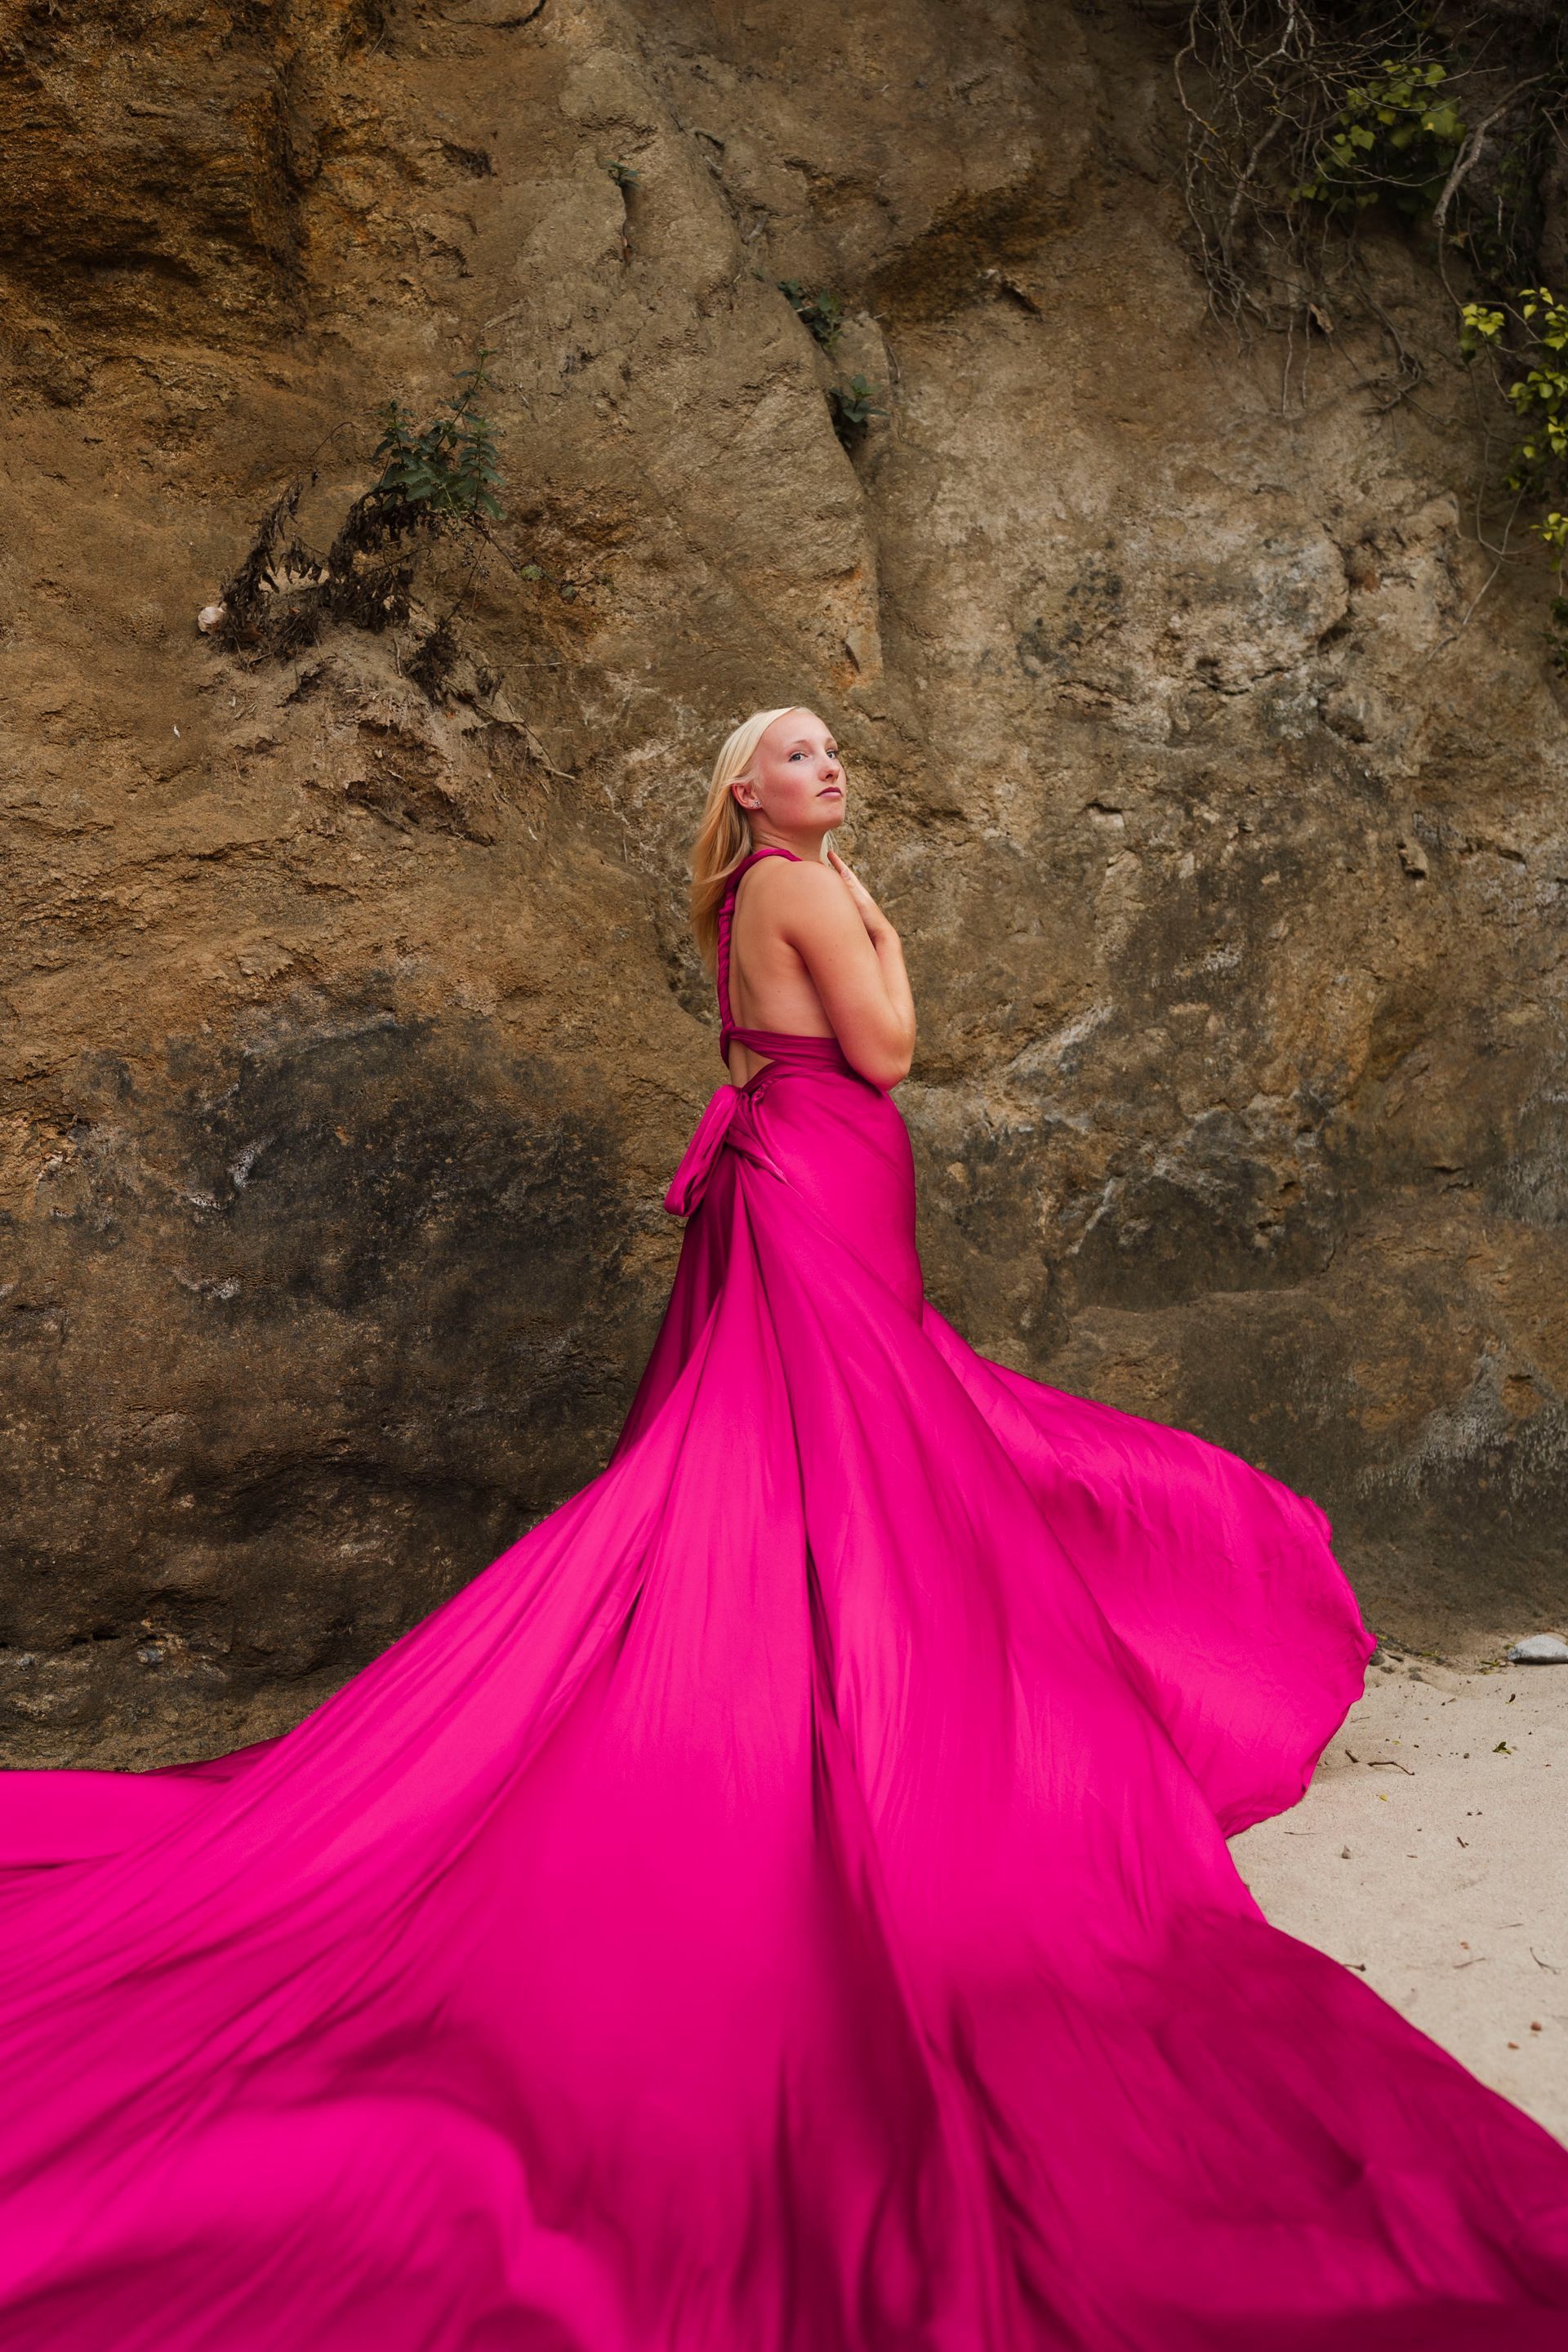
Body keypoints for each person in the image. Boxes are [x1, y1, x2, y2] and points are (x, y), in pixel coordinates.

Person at [0, 703, 1564, 2350]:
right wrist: (875, 909)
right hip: (820, 1174)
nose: (828, 765)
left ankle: (824, 1672)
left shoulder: (755, 891)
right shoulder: (802, 887)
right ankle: (848, 1712)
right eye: (796, 751)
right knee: (848, 1448)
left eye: (832, 751)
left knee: (834, 1449)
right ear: (744, 788)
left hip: (799, 1177)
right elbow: (889, 1051)